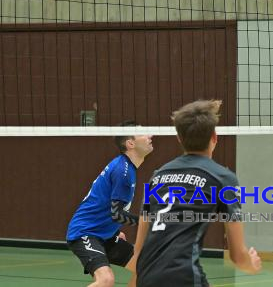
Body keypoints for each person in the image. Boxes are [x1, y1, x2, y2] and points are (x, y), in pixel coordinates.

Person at [129, 100, 262, 287]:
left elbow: (140, 249)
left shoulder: (157, 177)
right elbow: (238, 257)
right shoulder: (222, 178)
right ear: (214, 137)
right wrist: (252, 265)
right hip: (183, 276)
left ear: (179, 138)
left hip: (147, 277)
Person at [66, 120, 154, 287]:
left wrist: (114, 231)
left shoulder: (127, 168)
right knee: (106, 280)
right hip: (85, 232)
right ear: (130, 143)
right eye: (144, 133)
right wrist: (146, 220)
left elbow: (109, 207)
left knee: (147, 267)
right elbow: (118, 214)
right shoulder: (123, 172)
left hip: (104, 235)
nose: (151, 135)